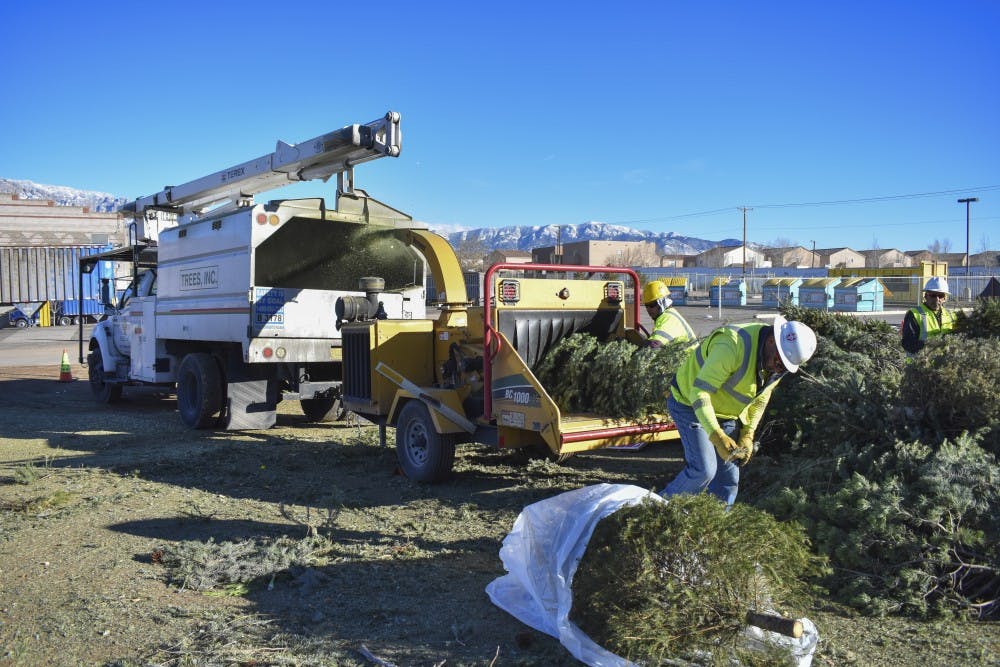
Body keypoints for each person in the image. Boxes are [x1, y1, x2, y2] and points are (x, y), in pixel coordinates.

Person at [661, 315, 817, 508]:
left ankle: (715, 529)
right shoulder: (732, 345)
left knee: (728, 478)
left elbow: (760, 399)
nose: (779, 368)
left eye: (785, 367)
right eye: (779, 361)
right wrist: (717, 436)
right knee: (704, 470)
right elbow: (699, 393)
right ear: (771, 340)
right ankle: (652, 510)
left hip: (726, 414)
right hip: (689, 403)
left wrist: (748, 433)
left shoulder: (778, 364)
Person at [900, 276, 956, 354]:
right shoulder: (914, 314)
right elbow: (908, 344)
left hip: (944, 364)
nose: (937, 299)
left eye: (940, 296)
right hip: (919, 364)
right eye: (933, 295)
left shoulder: (951, 316)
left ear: (944, 298)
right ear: (926, 296)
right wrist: (931, 345)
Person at [642, 280, 695, 347]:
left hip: (689, 357)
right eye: (646, 305)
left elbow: (654, 345)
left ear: (663, 303)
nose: (648, 309)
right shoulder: (668, 314)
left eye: (652, 304)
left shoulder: (668, 319)